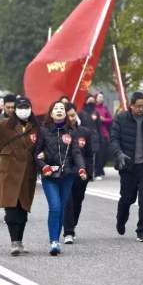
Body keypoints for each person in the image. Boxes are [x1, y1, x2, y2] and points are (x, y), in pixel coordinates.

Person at [0, 95, 39, 256]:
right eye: (20, 108)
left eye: (26, 107)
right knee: (11, 210)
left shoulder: (35, 127)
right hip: (9, 172)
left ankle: (20, 241)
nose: (23, 110)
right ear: (15, 110)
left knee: (23, 210)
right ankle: (14, 242)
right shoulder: (5, 125)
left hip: (28, 172)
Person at [34, 100, 87, 255]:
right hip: (50, 175)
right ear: (51, 113)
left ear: (65, 113)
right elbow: (36, 154)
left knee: (62, 208)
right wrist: (44, 166)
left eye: (61, 109)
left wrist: (82, 169)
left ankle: (56, 239)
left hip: (68, 175)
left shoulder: (71, 131)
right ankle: (54, 241)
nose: (59, 110)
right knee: (55, 207)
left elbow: (76, 152)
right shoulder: (43, 131)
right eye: (55, 108)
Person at [111, 92, 143, 242]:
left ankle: (141, 230)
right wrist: (119, 154)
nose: (141, 109)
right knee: (127, 199)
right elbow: (113, 139)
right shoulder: (121, 119)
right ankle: (121, 219)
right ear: (131, 105)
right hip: (128, 166)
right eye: (138, 106)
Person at [63, 103, 98, 244]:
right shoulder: (58, 132)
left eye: (73, 115)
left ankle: (73, 224)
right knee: (67, 202)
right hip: (65, 174)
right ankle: (68, 231)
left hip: (81, 174)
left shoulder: (84, 132)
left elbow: (89, 155)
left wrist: (89, 172)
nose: (71, 118)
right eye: (68, 116)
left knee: (77, 201)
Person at [94, 92, 112, 180]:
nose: (101, 98)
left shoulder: (105, 108)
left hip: (104, 134)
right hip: (95, 134)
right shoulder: (93, 109)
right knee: (98, 153)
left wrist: (103, 119)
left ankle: (100, 168)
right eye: (99, 97)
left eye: (102, 97)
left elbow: (110, 119)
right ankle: (97, 171)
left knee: (105, 153)